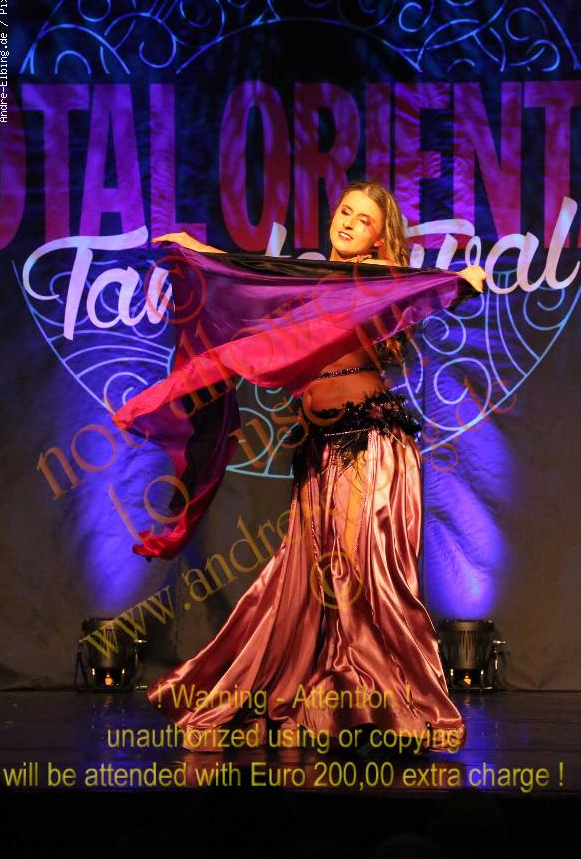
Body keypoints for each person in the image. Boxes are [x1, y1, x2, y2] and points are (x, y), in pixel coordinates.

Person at [135, 181, 485, 753]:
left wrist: (458, 281)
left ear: (380, 238)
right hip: (320, 450)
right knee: (306, 583)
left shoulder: (377, 277)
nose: (348, 223)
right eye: (345, 211)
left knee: (364, 577)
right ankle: (329, 701)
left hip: (369, 444)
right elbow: (252, 273)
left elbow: (422, 288)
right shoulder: (308, 282)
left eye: (364, 220)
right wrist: (199, 252)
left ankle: (395, 708)